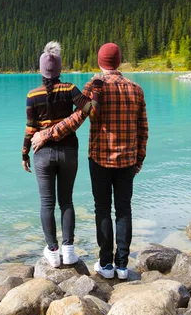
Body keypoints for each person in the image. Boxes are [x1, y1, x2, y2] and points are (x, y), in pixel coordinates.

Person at [31, 42, 148, 280]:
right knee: (124, 210)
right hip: (127, 159)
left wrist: (47, 134)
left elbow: (78, 119)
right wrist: (139, 159)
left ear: (100, 62)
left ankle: (105, 264)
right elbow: (143, 128)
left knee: (103, 209)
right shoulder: (136, 89)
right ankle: (123, 266)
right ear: (119, 61)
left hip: (100, 159)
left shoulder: (95, 87)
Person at [22, 41, 103, 268]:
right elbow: (91, 110)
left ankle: (52, 251)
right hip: (68, 152)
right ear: (59, 69)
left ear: (41, 70)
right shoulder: (69, 89)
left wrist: (24, 153)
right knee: (66, 201)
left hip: (42, 154)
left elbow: (30, 128)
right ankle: (68, 251)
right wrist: (96, 89)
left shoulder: (32, 94)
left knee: (47, 204)